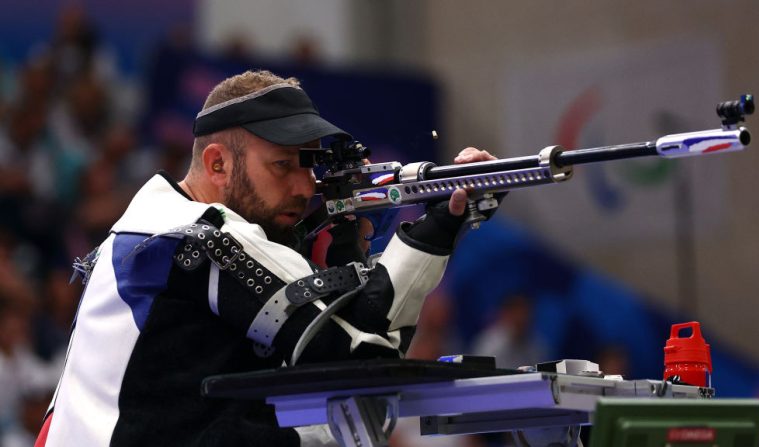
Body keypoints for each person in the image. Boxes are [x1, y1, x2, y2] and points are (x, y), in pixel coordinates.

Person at [35, 70, 496, 447]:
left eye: (308, 165)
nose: (304, 187)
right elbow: (360, 358)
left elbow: (357, 358)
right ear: (217, 164)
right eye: (283, 165)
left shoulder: (150, 227)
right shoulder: (202, 236)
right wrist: (434, 227)